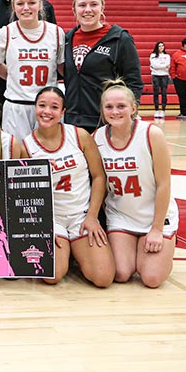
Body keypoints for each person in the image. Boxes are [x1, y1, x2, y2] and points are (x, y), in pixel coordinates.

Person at [22, 87, 114, 287]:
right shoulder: (26, 146)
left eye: (54, 107)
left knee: (103, 278)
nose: (47, 111)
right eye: (42, 105)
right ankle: (69, 251)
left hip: (81, 216)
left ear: (63, 112)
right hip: (51, 218)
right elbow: (23, 194)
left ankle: (77, 250)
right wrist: (40, 225)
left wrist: (92, 217)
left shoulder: (79, 135)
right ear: (35, 108)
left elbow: (99, 177)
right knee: (52, 276)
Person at [94, 80, 178, 288]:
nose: (115, 112)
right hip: (122, 216)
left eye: (121, 106)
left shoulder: (151, 134)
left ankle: (168, 240)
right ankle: (139, 247)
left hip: (155, 216)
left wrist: (156, 229)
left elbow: (164, 184)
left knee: (151, 278)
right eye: (109, 107)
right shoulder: (97, 138)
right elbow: (99, 184)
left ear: (133, 108)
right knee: (121, 273)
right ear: (102, 110)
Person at [0, 0, 65, 141]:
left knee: (47, 156)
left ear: (39, 4)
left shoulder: (56, 33)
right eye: (20, 3)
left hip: (47, 107)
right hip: (16, 106)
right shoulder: (5, 33)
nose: (26, 8)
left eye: (31, 3)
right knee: (16, 158)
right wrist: (12, 76)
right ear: (13, 6)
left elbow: (62, 68)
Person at [63, 0, 143, 132]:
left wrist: (129, 114)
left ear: (102, 8)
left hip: (106, 120)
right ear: (74, 10)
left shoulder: (119, 39)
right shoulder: (66, 39)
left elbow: (134, 81)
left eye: (93, 4)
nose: (88, 10)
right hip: (72, 120)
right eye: (82, 5)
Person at [149, 41, 171, 120]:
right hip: (155, 75)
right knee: (156, 93)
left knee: (164, 93)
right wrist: (164, 65)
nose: (161, 48)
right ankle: (156, 109)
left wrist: (162, 66)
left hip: (164, 75)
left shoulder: (167, 56)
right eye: (159, 46)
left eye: (162, 46)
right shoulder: (153, 55)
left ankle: (163, 110)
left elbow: (168, 65)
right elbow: (154, 65)